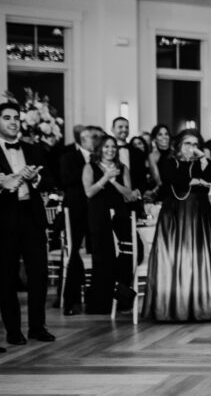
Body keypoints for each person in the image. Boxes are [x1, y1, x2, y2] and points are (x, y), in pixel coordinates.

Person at [142, 129, 211, 322]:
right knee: (175, 256)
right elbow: (173, 180)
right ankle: (173, 306)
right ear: (179, 145)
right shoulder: (169, 162)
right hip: (176, 212)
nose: (191, 148)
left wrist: (203, 159)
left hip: (200, 212)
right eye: (188, 144)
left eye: (195, 144)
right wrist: (197, 181)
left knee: (198, 256)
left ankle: (200, 306)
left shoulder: (202, 162)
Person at [0, 101, 56, 348]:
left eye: (15, 118)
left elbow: (51, 181)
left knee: (39, 275)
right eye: (7, 118)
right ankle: (13, 331)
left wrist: (37, 179)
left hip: (31, 217)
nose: (13, 122)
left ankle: (37, 327)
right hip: (4, 219)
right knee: (6, 277)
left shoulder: (33, 149)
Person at [82, 134, 133, 314]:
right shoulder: (90, 167)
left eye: (113, 147)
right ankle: (100, 303)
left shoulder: (123, 168)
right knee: (102, 257)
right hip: (98, 216)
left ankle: (121, 299)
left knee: (124, 256)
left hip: (119, 216)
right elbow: (88, 192)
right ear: (99, 149)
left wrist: (114, 182)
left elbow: (129, 195)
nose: (110, 150)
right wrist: (105, 178)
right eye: (106, 147)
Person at [59, 124, 98, 315]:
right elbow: (65, 180)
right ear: (83, 139)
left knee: (98, 250)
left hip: (95, 210)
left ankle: (96, 298)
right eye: (94, 138)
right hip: (75, 210)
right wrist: (88, 171)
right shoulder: (69, 158)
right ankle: (71, 301)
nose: (97, 141)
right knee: (73, 252)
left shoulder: (99, 159)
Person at [148, 124, 173, 201]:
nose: (164, 137)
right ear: (155, 139)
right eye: (160, 134)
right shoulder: (152, 156)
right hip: (162, 194)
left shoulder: (176, 153)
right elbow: (158, 181)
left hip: (178, 192)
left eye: (166, 134)